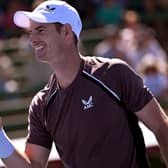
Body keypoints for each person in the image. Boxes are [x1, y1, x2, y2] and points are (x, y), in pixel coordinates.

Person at [0, 0, 168, 167]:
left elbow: (162, 128)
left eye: (40, 30)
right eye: (31, 32)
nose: (32, 40)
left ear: (66, 31)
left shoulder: (114, 73)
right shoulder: (40, 105)